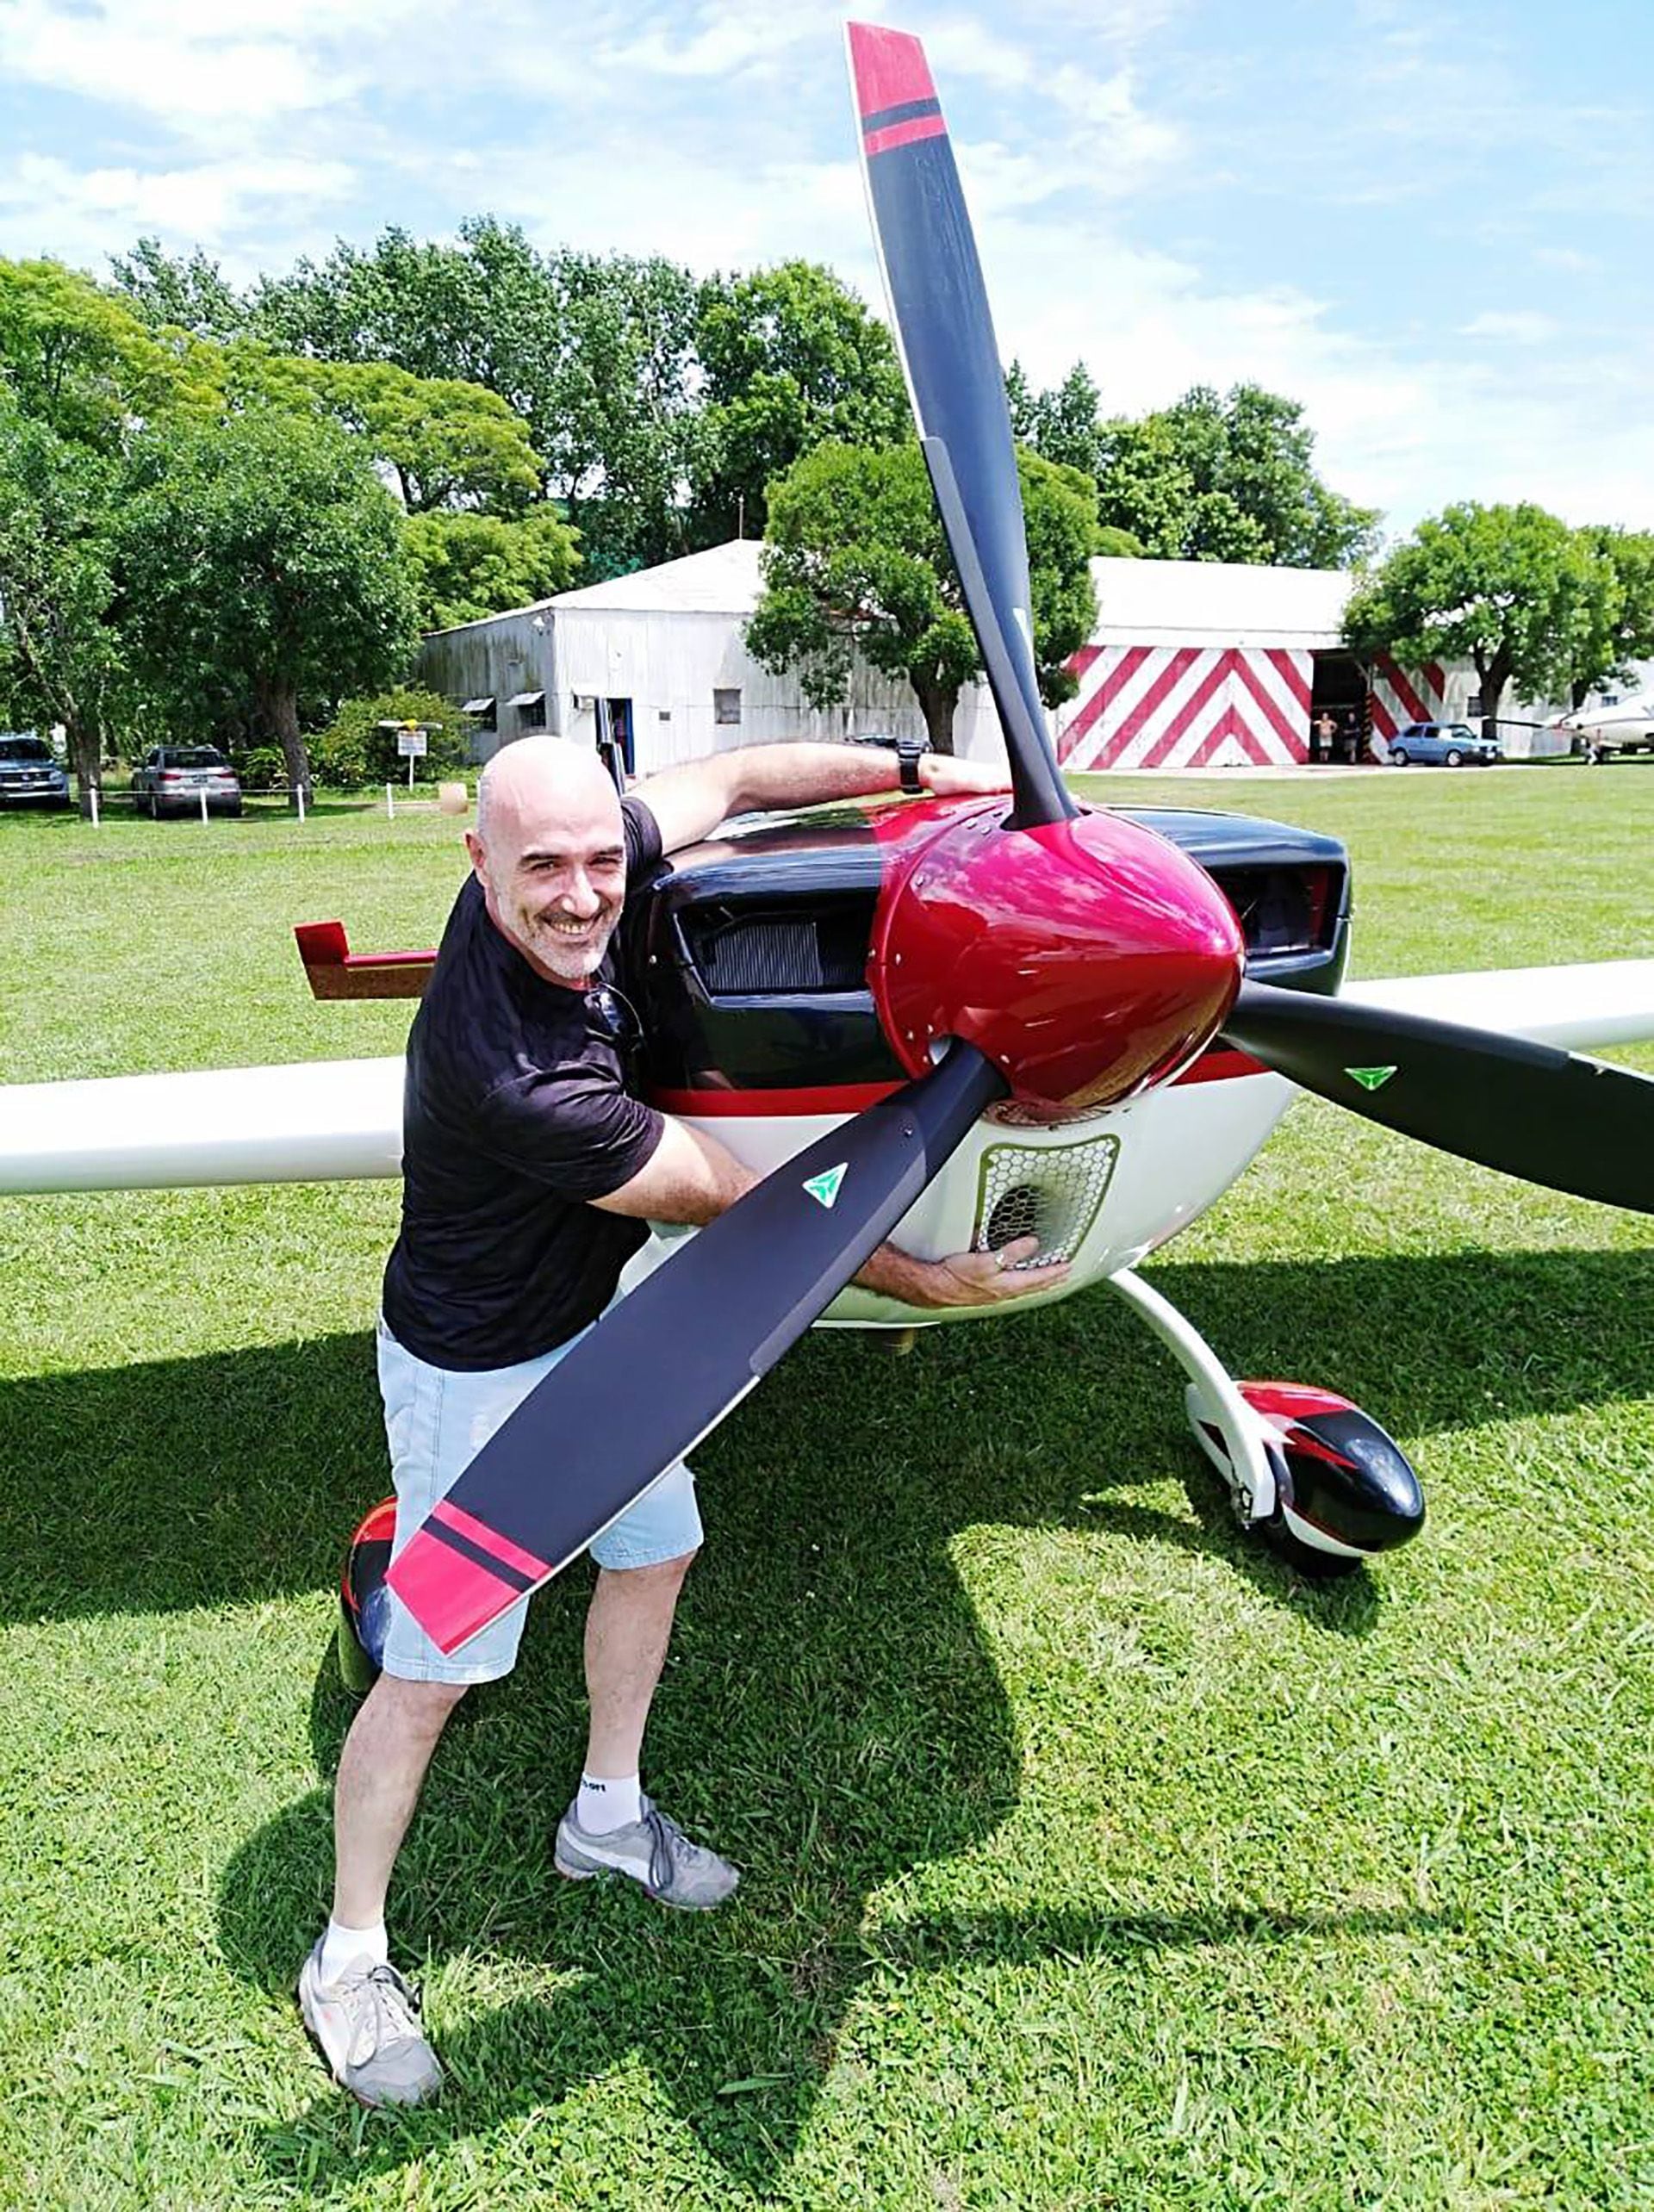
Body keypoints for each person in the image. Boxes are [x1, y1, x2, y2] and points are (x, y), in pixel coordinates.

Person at [299, 734, 1069, 2107]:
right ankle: (348, 1952)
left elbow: (739, 776)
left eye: (606, 858)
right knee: (431, 1678)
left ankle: (605, 1814)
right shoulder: (517, 1073)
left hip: (600, 1335)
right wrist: (927, 1275)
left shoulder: (593, 861)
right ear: (476, 867)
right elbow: (735, 1198)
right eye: (543, 868)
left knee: (656, 1550)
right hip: (476, 1377)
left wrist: (919, 762)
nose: (587, 895)